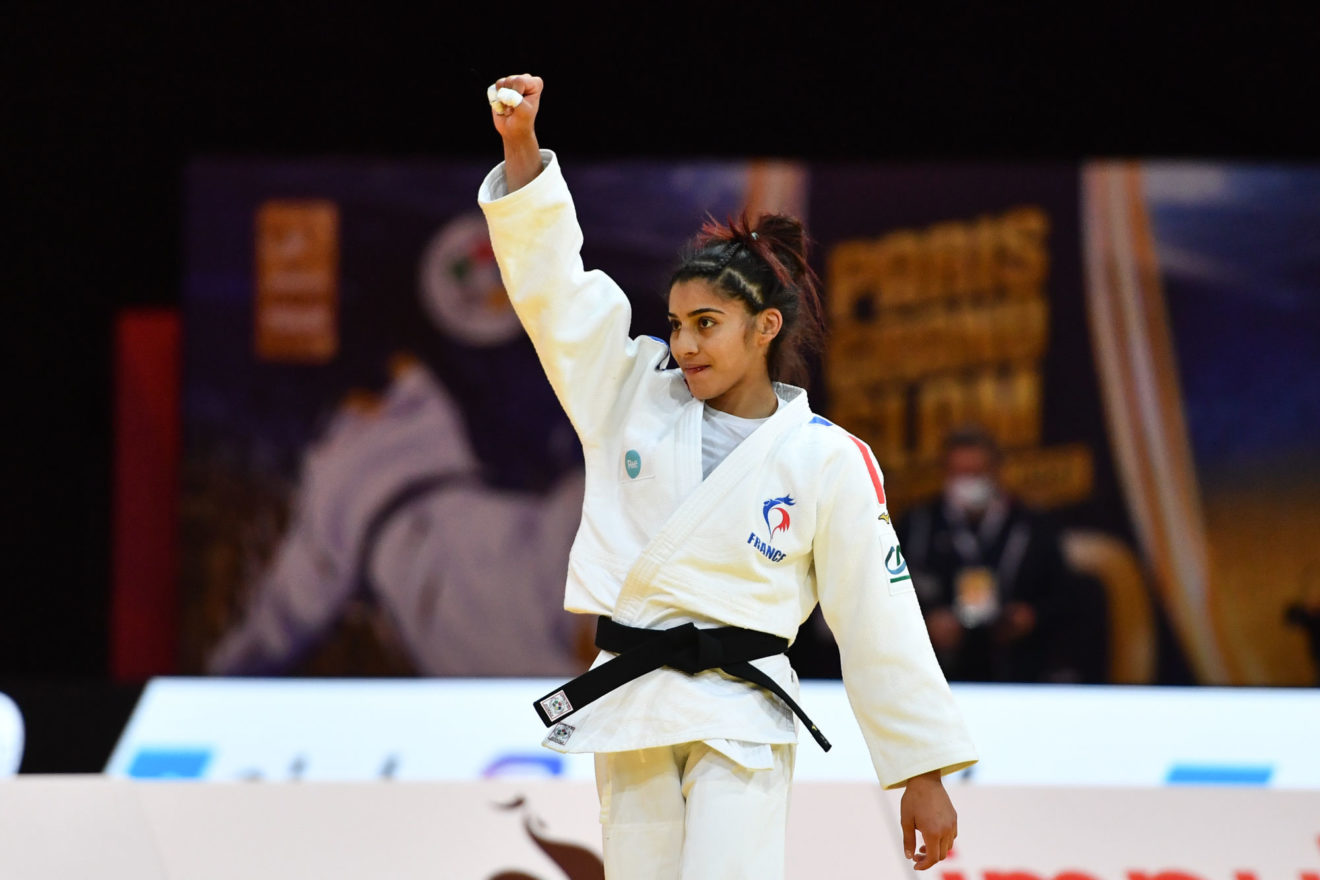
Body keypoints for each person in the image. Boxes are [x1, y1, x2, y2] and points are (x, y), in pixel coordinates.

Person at [479, 74, 976, 880]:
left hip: (741, 709)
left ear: (764, 327)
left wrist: (922, 775)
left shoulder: (825, 456)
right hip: (633, 701)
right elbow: (556, 296)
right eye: (676, 325)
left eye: (707, 325)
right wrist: (521, 147)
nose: (685, 346)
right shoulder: (627, 393)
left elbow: (878, 618)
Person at [897, 425, 1080, 683]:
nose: (969, 482)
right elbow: (885, 590)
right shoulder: (917, 526)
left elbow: (1065, 597)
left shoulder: (1033, 526)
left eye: (976, 472)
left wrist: (1031, 616)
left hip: (1017, 669)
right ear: (945, 473)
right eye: (960, 473)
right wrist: (926, 621)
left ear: (996, 470)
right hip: (937, 673)